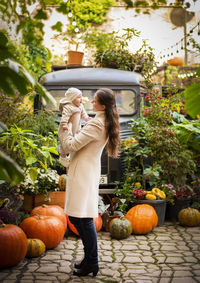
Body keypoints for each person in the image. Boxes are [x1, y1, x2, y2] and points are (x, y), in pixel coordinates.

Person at [61, 88, 120, 277]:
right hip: (85, 171)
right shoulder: (100, 121)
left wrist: (67, 129)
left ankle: (92, 262)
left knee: (82, 219)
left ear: (103, 105)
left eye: (94, 101)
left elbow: (70, 145)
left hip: (83, 173)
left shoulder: (97, 124)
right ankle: (89, 259)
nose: (91, 103)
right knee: (79, 217)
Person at [58, 87, 91, 169]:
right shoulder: (68, 107)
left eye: (81, 97)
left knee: (75, 142)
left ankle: (72, 157)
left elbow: (83, 113)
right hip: (67, 128)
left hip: (76, 128)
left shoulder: (80, 106)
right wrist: (64, 124)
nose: (81, 100)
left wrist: (87, 118)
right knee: (63, 142)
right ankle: (63, 157)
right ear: (72, 98)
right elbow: (64, 117)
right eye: (78, 97)